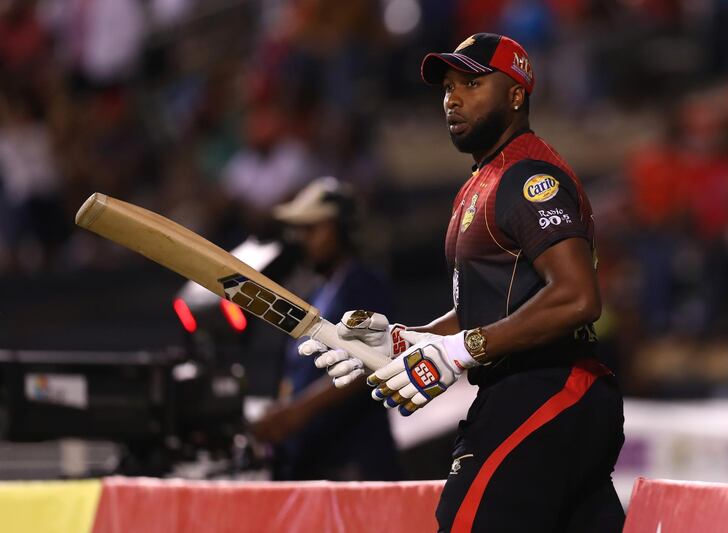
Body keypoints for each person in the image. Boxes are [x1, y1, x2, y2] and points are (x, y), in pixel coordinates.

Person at [302, 34, 625, 531]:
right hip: (540, 391)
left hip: (547, 387)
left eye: (472, 83)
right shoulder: (482, 182)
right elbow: (490, 305)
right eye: (448, 86)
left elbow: (578, 298)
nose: (452, 97)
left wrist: (460, 351)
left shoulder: (529, 177)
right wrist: (405, 340)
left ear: (517, 95)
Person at [250, 176, 401, 481]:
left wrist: (298, 412)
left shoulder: (365, 284)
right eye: (300, 230)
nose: (303, 238)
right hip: (310, 462)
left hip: (353, 464)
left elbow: (370, 364)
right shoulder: (312, 291)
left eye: (313, 229)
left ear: (343, 229)